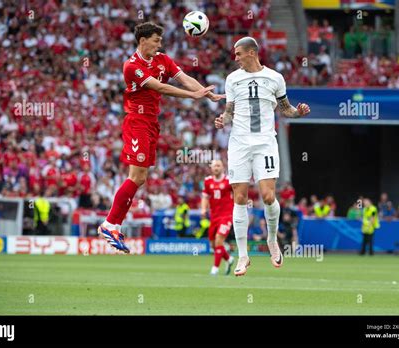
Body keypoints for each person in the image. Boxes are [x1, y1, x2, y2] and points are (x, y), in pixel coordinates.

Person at [97, 22, 224, 252]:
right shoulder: (131, 66)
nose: (159, 44)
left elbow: (184, 78)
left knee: (140, 177)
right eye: (156, 40)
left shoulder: (163, 60)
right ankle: (110, 224)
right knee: (136, 175)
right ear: (142, 40)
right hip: (137, 121)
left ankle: (112, 224)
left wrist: (206, 93)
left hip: (152, 123)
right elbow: (160, 88)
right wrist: (192, 96)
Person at [215, 37, 310, 276]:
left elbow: (285, 108)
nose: (235, 58)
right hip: (239, 144)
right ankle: (243, 255)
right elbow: (229, 112)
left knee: (268, 196)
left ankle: (271, 239)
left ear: (251, 53)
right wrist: (222, 120)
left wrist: (297, 113)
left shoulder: (275, 78)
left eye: (238, 54)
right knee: (239, 197)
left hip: (265, 143)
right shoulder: (232, 79)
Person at [201, 160, 235, 276]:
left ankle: (215, 269)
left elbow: (236, 194)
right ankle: (229, 259)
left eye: (219, 165)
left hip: (227, 215)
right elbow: (205, 197)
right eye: (214, 166)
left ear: (222, 167)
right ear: (211, 168)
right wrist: (203, 209)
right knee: (213, 244)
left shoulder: (228, 181)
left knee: (219, 239)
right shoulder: (207, 181)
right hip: (214, 216)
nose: (216, 168)